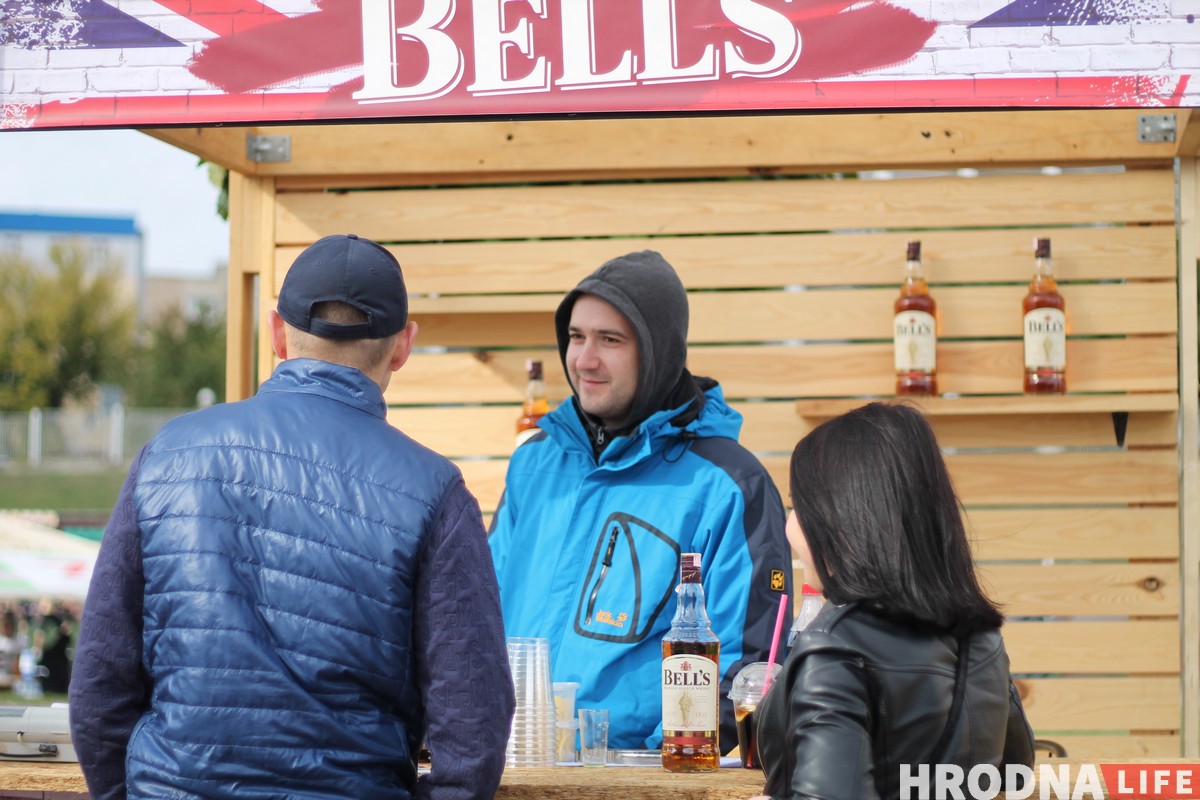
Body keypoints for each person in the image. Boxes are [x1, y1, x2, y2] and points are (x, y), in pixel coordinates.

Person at [69, 234, 515, 800]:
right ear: (403, 347)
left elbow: (98, 691)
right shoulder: (436, 492)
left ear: (277, 333)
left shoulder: (167, 456)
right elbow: (473, 735)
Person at [488, 249, 792, 752]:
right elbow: (480, 612)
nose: (585, 359)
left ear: (656, 353)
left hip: (638, 778)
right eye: (576, 337)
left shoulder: (727, 484)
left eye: (610, 340)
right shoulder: (534, 463)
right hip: (513, 767)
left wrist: (650, 772)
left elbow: (746, 670)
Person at [753, 402, 1035, 799]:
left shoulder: (835, 646)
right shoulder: (983, 639)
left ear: (841, 517)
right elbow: (1013, 775)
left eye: (800, 506)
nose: (791, 525)